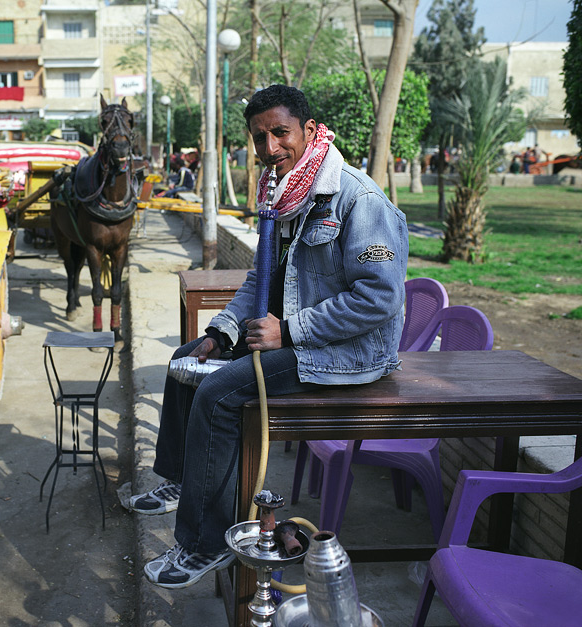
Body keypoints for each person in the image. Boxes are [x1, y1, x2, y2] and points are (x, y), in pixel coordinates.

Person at [128, 84, 408, 589]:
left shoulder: (357, 197)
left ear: (308, 130)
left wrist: (291, 331)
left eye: (281, 133)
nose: (270, 147)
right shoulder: (286, 195)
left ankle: (202, 544)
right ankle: (179, 481)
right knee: (187, 359)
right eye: (260, 137)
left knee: (217, 395)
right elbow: (263, 280)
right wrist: (221, 331)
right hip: (295, 338)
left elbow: (378, 300)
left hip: (345, 352)